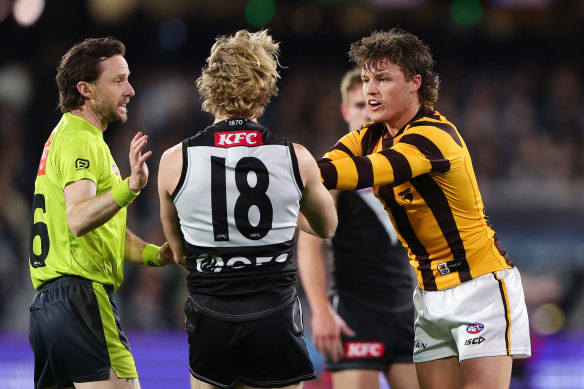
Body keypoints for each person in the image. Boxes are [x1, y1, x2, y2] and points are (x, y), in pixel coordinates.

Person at [317, 28, 531, 389]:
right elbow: (325, 170)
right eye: (367, 79)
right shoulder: (369, 135)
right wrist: (289, 166)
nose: (370, 89)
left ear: (416, 82)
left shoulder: (433, 135)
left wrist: (286, 165)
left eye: (383, 79)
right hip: (428, 296)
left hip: (478, 286)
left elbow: (361, 172)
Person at [158, 30, 337, 389]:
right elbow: (327, 227)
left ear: (209, 87)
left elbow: (179, 252)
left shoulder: (174, 160)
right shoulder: (295, 157)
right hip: (275, 318)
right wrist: (285, 213)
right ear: (265, 88)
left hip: (211, 317)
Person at [28, 37, 174, 389]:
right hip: (81, 299)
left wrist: (156, 256)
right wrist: (130, 187)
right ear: (86, 90)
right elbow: (78, 218)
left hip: (48, 308)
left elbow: (100, 231)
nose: (131, 90)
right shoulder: (82, 140)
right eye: (118, 80)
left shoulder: (65, 136)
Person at [297, 68, 419, 389]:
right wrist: (321, 311)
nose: (366, 112)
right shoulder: (332, 171)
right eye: (358, 105)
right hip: (355, 315)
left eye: (371, 104)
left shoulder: (404, 163)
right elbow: (309, 246)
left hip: (407, 311)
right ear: (344, 112)